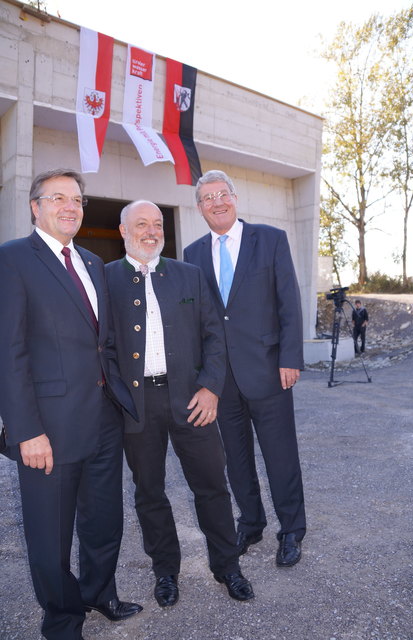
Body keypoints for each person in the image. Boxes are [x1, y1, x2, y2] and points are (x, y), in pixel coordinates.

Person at [0, 169, 142, 640]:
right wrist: (25, 430)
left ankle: (99, 593)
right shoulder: (12, 259)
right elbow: (10, 352)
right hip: (49, 428)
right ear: (35, 206)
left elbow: (103, 341)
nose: (70, 207)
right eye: (57, 198)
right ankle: (62, 620)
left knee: (104, 520)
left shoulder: (93, 261)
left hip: (103, 416)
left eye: (77, 199)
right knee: (50, 536)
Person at [106, 200, 254, 608]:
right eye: (141, 224)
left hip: (192, 399)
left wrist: (210, 387)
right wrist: (118, 397)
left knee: (211, 486)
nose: (151, 231)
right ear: (123, 231)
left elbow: (214, 338)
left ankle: (228, 567)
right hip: (137, 405)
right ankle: (166, 572)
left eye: (157, 224)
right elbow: (103, 347)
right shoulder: (105, 280)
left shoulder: (189, 276)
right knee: (149, 491)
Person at [184, 169, 306, 568]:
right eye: (208, 198)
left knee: (280, 456)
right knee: (235, 459)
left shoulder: (269, 239)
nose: (217, 202)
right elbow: (201, 320)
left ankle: (291, 530)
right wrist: (203, 377)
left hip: (269, 369)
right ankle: (251, 523)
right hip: (222, 379)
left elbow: (288, 301)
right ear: (199, 207)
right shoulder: (193, 253)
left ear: (235, 198)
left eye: (223, 194)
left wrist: (290, 357)